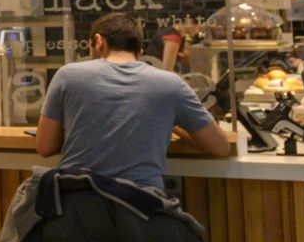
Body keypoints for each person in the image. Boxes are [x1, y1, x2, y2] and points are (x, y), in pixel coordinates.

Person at [38, 12, 231, 187]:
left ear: (98, 41)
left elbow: (45, 146)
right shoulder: (171, 83)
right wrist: (172, 124)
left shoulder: (67, 76)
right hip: (141, 210)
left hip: (76, 205)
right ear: (139, 51)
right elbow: (220, 147)